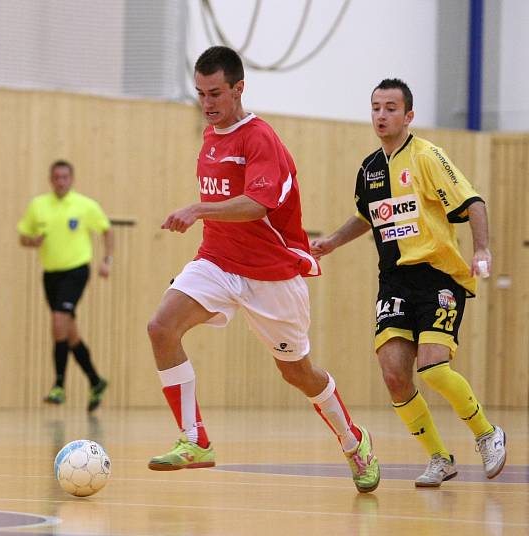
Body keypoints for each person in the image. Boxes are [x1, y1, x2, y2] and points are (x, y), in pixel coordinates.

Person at [145, 46, 380, 493]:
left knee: (298, 373)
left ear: (238, 89)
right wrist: (206, 220)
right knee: (160, 328)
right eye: (200, 94)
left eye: (215, 93)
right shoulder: (211, 137)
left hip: (270, 275)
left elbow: (257, 206)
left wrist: (199, 208)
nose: (207, 103)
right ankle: (195, 440)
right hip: (216, 260)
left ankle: (353, 441)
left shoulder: (260, 138)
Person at [310, 78, 506, 487]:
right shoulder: (369, 169)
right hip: (394, 281)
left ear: (408, 115)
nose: (381, 115)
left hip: (438, 276)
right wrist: (331, 240)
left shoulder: (428, 156)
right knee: (395, 373)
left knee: (433, 367)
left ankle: (487, 434)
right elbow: (365, 216)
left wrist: (482, 250)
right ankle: (439, 457)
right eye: (376, 108)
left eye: (391, 108)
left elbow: (473, 203)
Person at [17, 160, 113, 412]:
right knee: (69, 332)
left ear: (71, 179)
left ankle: (58, 385)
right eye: (56, 177)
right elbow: (23, 237)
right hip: (51, 275)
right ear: (51, 179)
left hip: (77, 270)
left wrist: (107, 260)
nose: (61, 181)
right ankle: (95, 380)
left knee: (59, 321)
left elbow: (106, 230)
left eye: (65, 177)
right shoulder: (38, 206)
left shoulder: (84, 205)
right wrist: (32, 241)